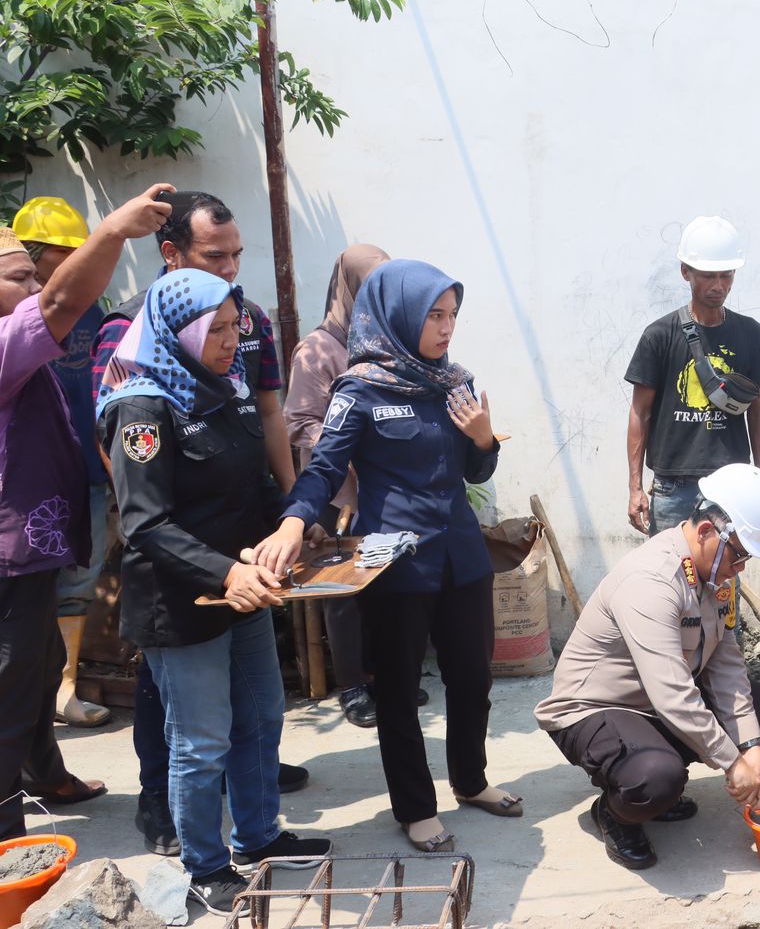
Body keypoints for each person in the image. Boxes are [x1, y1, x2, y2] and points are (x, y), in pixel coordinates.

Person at [254, 260, 517, 855]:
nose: (447, 328)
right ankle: (416, 808)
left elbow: (474, 470)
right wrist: (296, 520)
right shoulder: (361, 388)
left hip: (460, 555)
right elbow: (323, 467)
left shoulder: (458, 383)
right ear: (398, 315)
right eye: (434, 315)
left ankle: (470, 780)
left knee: (473, 680)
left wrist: (481, 438)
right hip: (395, 563)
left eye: (453, 315)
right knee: (398, 691)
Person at [98, 269, 331, 914]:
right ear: (180, 330)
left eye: (236, 328)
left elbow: (246, 481)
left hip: (245, 588)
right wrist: (228, 572)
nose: (233, 342)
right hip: (183, 601)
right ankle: (204, 864)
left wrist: (289, 527)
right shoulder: (142, 406)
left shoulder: (223, 388)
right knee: (200, 741)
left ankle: (259, 838)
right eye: (218, 330)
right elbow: (144, 522)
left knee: (261, 716)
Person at [1, 184, 169, 842]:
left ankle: (44, 772)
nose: (35, 281)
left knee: (39, 665)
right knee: (13, 682)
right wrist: (115, 229)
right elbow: (62, 300)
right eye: (20, 275)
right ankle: (7, 825)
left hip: (33, 542)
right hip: (11, 553)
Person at [536, 464, 760, 870]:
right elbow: (673, 694)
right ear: (707, 531)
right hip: (594, 709)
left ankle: (656, 782)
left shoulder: (715, 576)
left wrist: (750, 749)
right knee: (656, 778)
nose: (740, 567)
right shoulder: (652, 580)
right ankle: (616, 814)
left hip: (653, 704)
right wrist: (731, 762)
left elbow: (725, 665)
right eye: (739, 554)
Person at [282, 244, 402, 729]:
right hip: (338, 492)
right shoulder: (318, 349)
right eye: (371, 283)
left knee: (386, 582)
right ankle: (352, 686)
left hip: (384, 489)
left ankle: (383, 675)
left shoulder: (391, 341)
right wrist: (346, 448)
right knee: (343, 591)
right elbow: (298, 420)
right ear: (350, 285)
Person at [12, 197, 112, 728]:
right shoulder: (17, 318)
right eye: (63, 250)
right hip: (25, 486)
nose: (75, 257)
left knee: (79, 581)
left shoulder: (93, 306)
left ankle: (63, 690)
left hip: (85, 468)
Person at [626, 216, 760, 534]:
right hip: (671, 487)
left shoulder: (751, 335)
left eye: (727, 276)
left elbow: (759, 410)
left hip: (730, 485)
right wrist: (635, 487)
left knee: (724, 580)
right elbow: (639, 412)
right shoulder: (659, 335)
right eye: (709, 276)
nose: (719, 286)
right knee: (670, 576)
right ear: (685, 271)